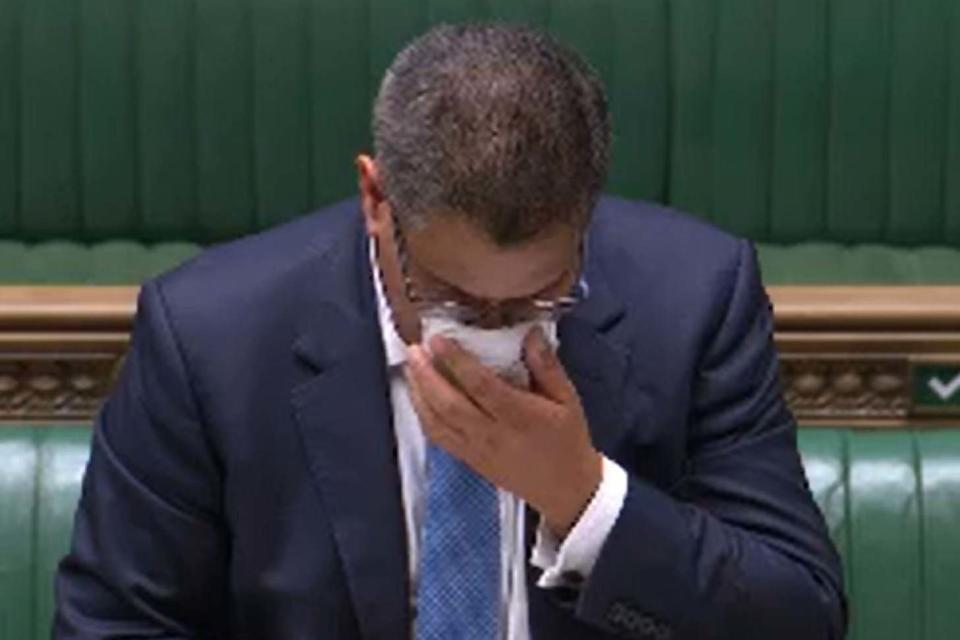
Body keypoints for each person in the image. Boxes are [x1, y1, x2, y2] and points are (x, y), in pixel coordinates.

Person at [53, 23, 846, 640]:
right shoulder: (210, 337)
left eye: (540, 297)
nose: (490, 335)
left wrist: (584, 499)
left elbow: (801, 618)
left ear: (586, 218)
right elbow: (114, 624)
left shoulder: (695, 297)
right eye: (448, 297)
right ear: (376, 199)